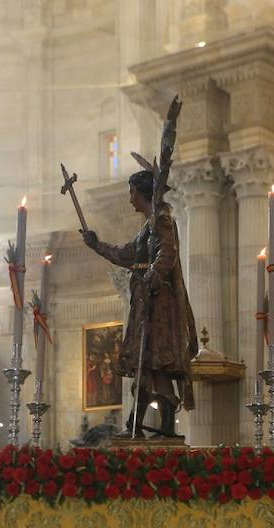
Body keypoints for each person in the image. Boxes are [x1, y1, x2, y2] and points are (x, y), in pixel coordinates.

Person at [80, 166, 198, 439]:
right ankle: (138, 426)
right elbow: (127, 254)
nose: (130, 198)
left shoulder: (162, 222)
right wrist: (97, 245)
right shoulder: (148, 226)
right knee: (147, 367)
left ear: (143, 193)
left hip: (158, 305)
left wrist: (152, 276)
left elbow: (167, 253)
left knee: (156, 364)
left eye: (132, 192)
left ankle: (156, 426)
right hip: (145, 303)